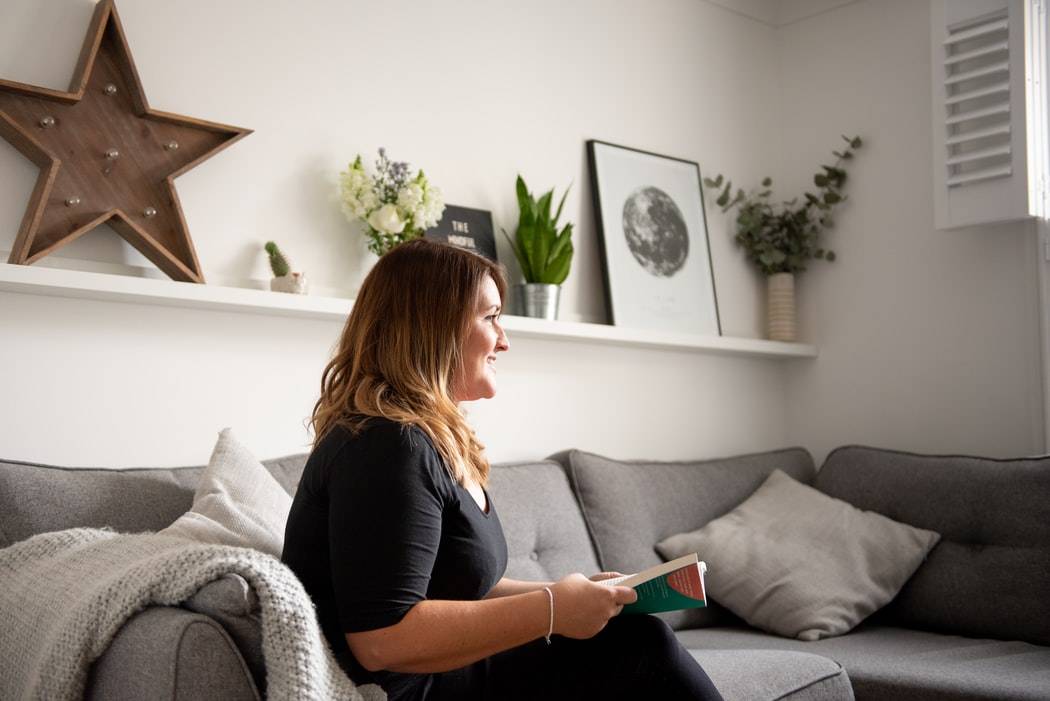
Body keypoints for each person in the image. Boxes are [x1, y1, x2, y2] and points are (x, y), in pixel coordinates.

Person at [282, 239, 723, 700]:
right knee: (640, 646)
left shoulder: (419, 439)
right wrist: (552, 609)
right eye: (490, 316)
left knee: (629, 637)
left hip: (444, 673)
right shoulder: (386, 445)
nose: (505, 340)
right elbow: (381, 639)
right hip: (409, 690)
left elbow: (457, 589)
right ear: (435, 326)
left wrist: (570, 596)